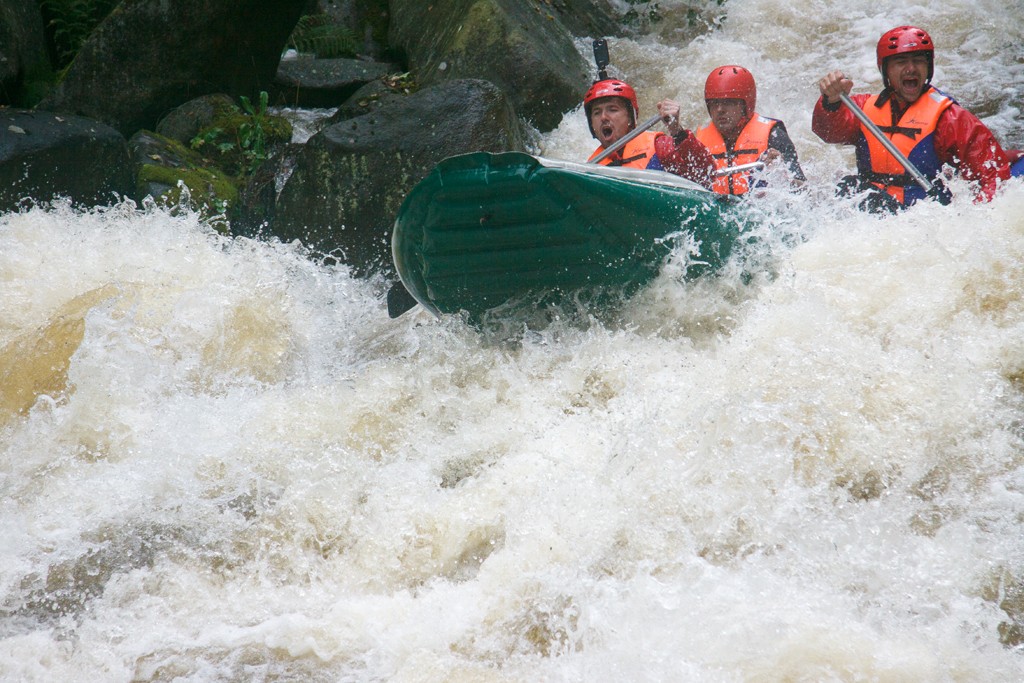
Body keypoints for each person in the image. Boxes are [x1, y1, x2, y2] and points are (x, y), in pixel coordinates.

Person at [813, 25, 1020, 212]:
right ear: (885, 70)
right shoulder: (862, 108)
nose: (911, 68)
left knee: (871, 201)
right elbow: (829, 132)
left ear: (928, 68)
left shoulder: (951, 118)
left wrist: (974, 219)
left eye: (918, 61)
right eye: (901, 62)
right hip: (871, 207)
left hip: (921, 215)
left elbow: (992, 177)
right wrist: (831, 101)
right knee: (848, 186)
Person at [695, 65, 806, 195]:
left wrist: (780, 174)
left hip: (756, 207)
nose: (720, 110)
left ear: (745, 105)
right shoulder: (698, 142)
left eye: (728, 102)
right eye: (714, 103)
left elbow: (802, 190)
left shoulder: (774, 136)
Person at [584, 78, 715, 188]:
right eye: (596, 112)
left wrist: (677, 130)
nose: (603, 117)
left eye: (612, 110)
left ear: (630, 117)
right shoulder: (590, 167)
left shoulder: (659, 146)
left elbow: (705, 172)